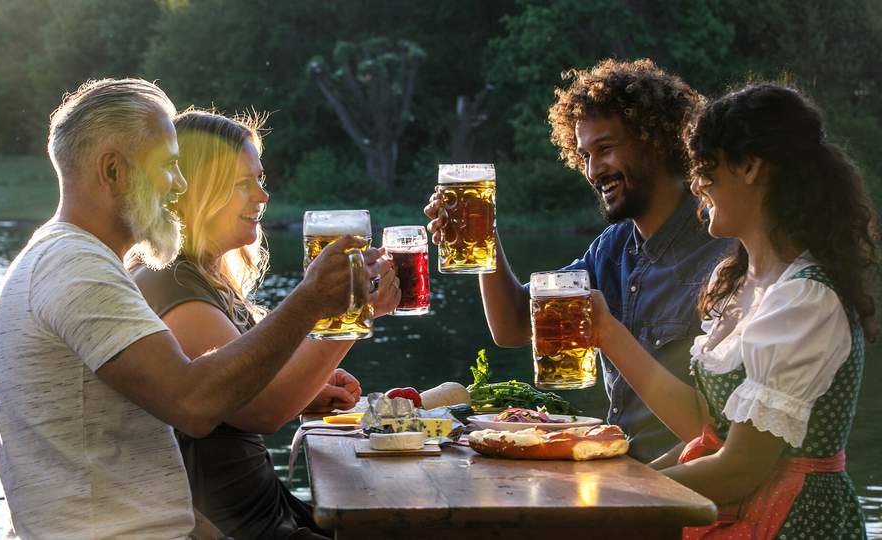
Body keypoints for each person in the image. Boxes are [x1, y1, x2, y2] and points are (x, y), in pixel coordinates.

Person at [0, 78, 379, 539]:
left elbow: (156, 463)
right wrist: (311, 299)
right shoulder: (76, 267)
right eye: (168, 167)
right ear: (113, 170)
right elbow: (194, 403)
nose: (178, 186)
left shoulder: (72, 258)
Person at [591, 84, 874, 538]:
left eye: (706, 167)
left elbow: (740, 469)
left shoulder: (804, 300)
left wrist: (622, 495)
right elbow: (706, 426)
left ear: (749, 167)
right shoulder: (736, 281)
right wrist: (608, 334)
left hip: (794, 524)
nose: (696, 185)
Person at [425, 59, 733, 462]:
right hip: (617, 465)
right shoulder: (612, 247)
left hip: (678, 481)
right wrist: (484, 231)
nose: (592, 170)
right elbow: (512, 326)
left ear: (657, 140)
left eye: (605, 149)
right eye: (584, 155)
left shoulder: (723, 251)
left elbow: (722, 434)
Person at [130, 109, 401, 540]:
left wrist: (308, 387)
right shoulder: (171, 282)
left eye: (260, 179)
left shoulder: (205, 278)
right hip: (241, 529)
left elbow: (251, 390)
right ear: (194, 189)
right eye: (243, 183)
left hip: (267, 512)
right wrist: (353, 316)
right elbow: (264, 411)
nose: (262, 196)